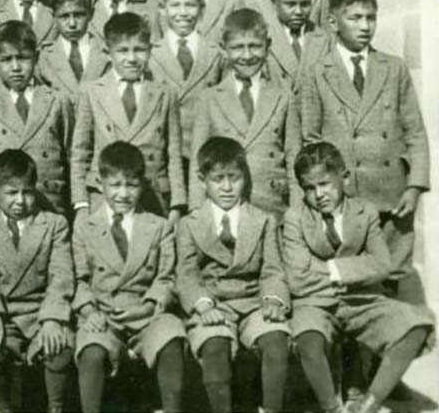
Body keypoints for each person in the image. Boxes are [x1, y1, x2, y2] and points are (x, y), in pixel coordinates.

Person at [300, 0, 430, 305]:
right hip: (349, 196)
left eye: (371, 18)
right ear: (332, 23)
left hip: (391, 194)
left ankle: (401, 340)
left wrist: (414, 188)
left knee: (395, 272)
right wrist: (326, 192)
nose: (365, 26)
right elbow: (310, 139)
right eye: (355, 18)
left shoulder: (394, 67)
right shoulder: (317, 73)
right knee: (354, 274)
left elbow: (415, 131)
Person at [283, 142, 434, 413]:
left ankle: (370, 403)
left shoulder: (365, 212)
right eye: (309, 188)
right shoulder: (295, 218)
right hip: (315, 304)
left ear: (345, 177)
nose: (319, 194)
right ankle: (332, 408)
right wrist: (356, 270)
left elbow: (382, 264)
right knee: (307, 338)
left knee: (416, 325)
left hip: (359, 301)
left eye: (325, 183)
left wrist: (330, 269)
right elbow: (296, 277)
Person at [177, 137, 291, 413]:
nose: (227, 187)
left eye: (234, 178)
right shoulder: (189, 224)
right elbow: (186, 274)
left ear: (245, 178)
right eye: (218, 179)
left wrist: (274, 300)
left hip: (254, 303)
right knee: (214, 347)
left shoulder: (262, 220)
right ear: (203, 180)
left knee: (276, 341)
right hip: (214, 305)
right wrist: (202, 304)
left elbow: (273, 270)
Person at [73, 141, 185, 413]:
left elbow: (166, 276)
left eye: (132, 185)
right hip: (105, 315)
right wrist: (89, 311)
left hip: (148, 315)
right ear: (100, 184)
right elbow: (79, 280)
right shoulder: (85, 228)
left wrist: (149, 304)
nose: (123, 194)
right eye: (115, 185)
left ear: (143, 186)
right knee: (91, 350)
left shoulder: (158, 226)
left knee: (171, 338)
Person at [0, 149, 75, 413]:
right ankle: (2, 409)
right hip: (6, 315)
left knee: (59, 346)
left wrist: (53, 318)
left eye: (27, 192)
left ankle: (56, 408)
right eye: (11, 193)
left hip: (42, 312)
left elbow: (61, 276)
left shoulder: (54, 224)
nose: (20, 200)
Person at [71, 12, 186, 221]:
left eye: (139, 50)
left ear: (150, 50)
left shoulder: (165, 93)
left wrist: (177, 205)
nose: (132, 59)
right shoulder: (92, 91)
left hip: (153, 197)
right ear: (108, 52)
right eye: (123, 51)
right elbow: (80, 152)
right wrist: (81, 203)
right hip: (103, 195)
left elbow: (174, 154)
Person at [189, 9, 300, 216]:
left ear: (268, 46)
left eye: (255, 46)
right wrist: (197, 216)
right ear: (223, 49)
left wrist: (297, 215)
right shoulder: (209, 98)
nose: (247, 56)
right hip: (225, 208)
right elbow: (197, 165)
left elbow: (295, 160)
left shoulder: (284, 96)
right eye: (238, 48)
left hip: (273, 207)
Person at [0, 20, 73, 216]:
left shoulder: (58, 101)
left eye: (23, 58)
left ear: (37, 57)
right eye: (6, 60)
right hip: (4, 210)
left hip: (51, 206)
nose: (16, 67)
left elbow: (71, 159)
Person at [149, 0, 223, 176]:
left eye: (190, 5)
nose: (182, 13)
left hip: (205, 155)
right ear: (162, 9)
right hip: (165, 157)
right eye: (175, 5)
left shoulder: (215, 54)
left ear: (202, 9)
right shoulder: (151, 55)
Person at [249, 0, 331, 88]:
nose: (298, 12)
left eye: (305, 4)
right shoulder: (261, 38)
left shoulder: (325, 40)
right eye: (290, 4)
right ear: (274, 4)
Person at [36, 0, 110, 103]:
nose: (72, 24)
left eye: (79, 15)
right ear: (54, 17)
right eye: (64, 16)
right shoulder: (43, 58)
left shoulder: (105, 55)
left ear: (91, 14)